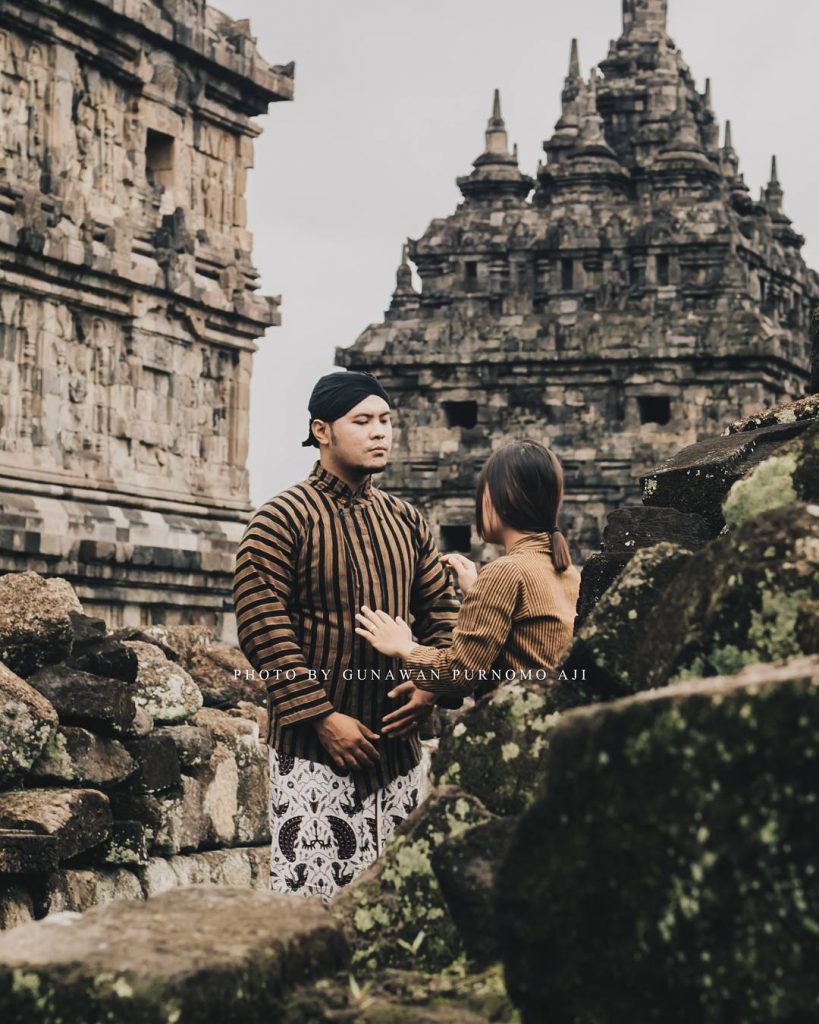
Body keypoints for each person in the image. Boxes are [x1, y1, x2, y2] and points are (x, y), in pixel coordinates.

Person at [233, 370, 459, 901]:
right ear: (322, 430)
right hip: (313, 757)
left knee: (400, 912)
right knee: (312, 915)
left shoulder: (406, 521)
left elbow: (443, 614)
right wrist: (323, 718)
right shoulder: (280, 520)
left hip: (400, 757)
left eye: (385, 420)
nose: (379, 432)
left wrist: (430, 688)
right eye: (362, 421)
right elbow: (262, 627)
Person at [355, 440, 581, 698]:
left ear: (495, 499)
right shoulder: (567, 571)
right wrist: (478, 591)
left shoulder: (506, 572)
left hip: (513, 723)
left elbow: (459, 674)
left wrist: (404, 647)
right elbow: (528, 641)